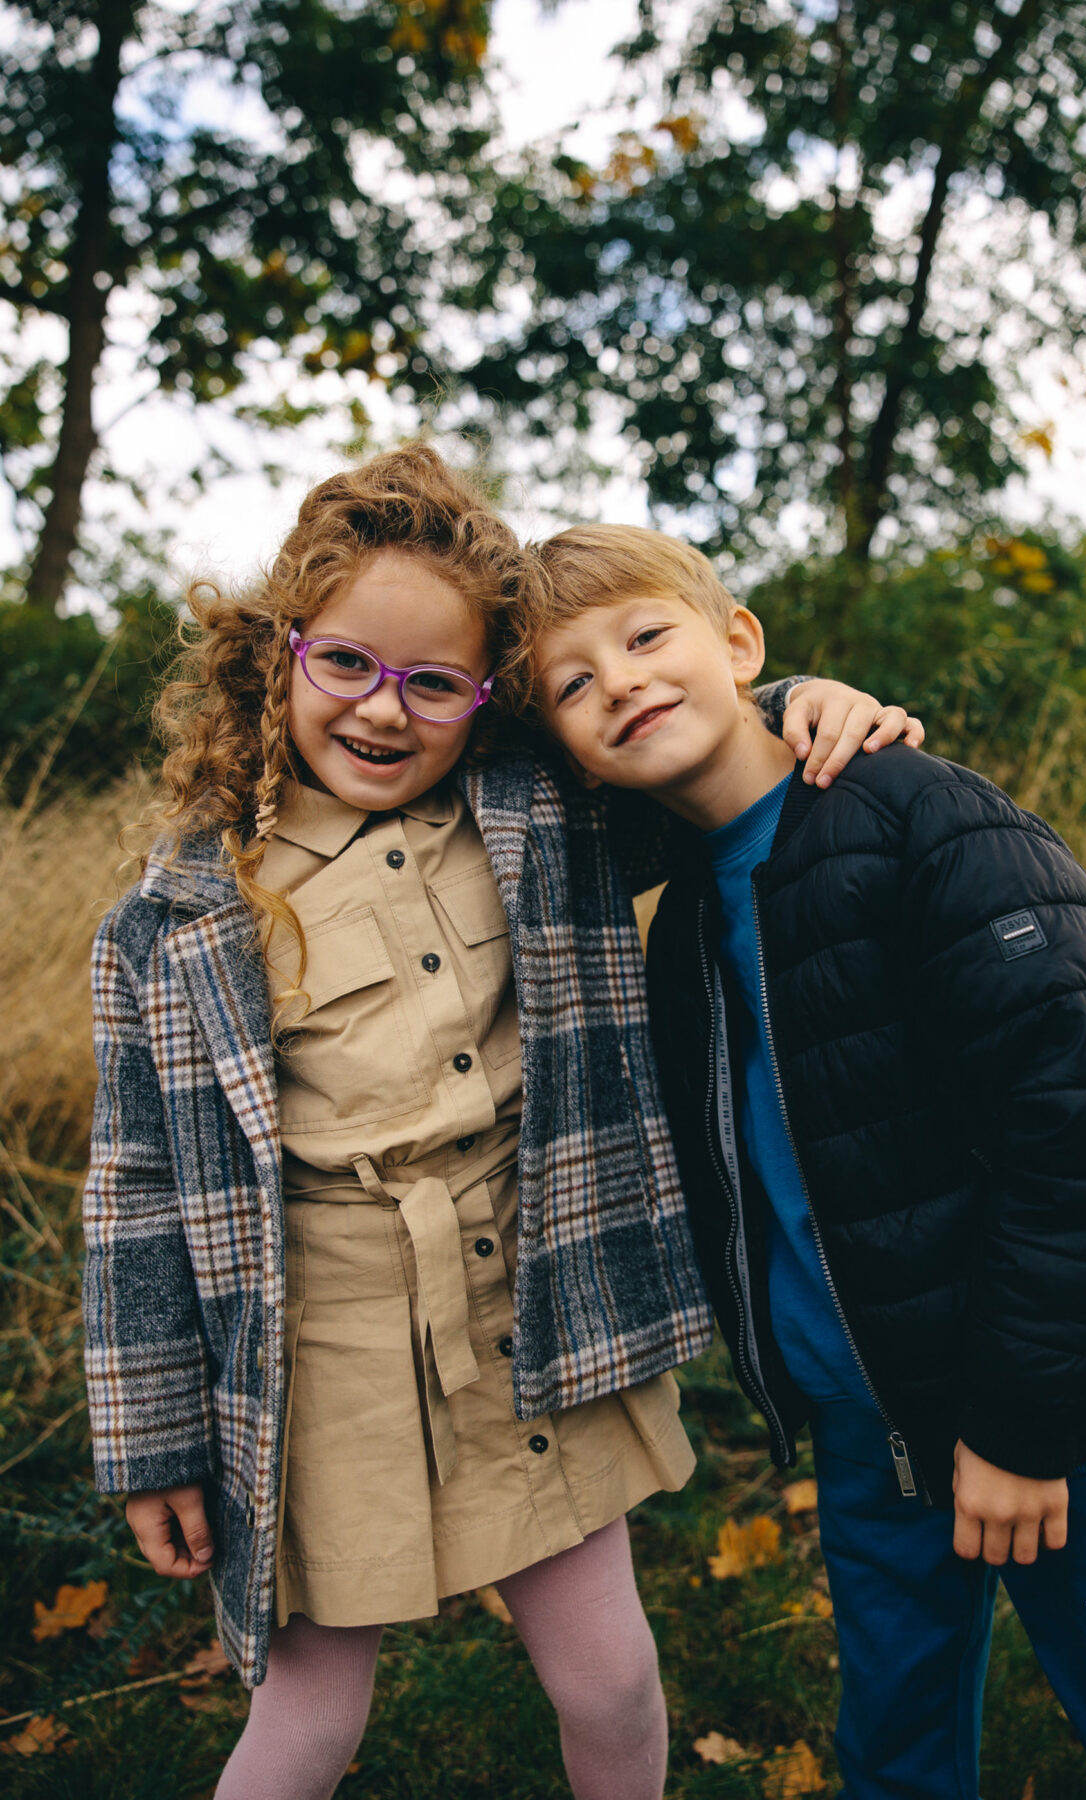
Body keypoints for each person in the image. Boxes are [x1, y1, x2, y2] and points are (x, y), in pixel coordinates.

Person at [81, 446, 921, 1800]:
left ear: (488, 699)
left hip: (532, 1312)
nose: (383, 710)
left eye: (436, 684)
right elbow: (131, 1191)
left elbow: (693, 745)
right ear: (282, 652)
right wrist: (154, 1442)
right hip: (324, 1350)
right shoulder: (181, 915)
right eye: (346, 664)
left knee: (612, 1681)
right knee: (309, 1724)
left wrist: (804, 702)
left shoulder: (545, 816)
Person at [524, 521, 1086, 1800]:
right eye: (570, 682)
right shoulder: (670, 925)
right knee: (893, 1746)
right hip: (872, 1411)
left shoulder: (921, 819)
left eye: (647, 636)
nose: (615, 680)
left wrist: (1018, 1429)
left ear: (738, 644)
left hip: (1062, 1408)